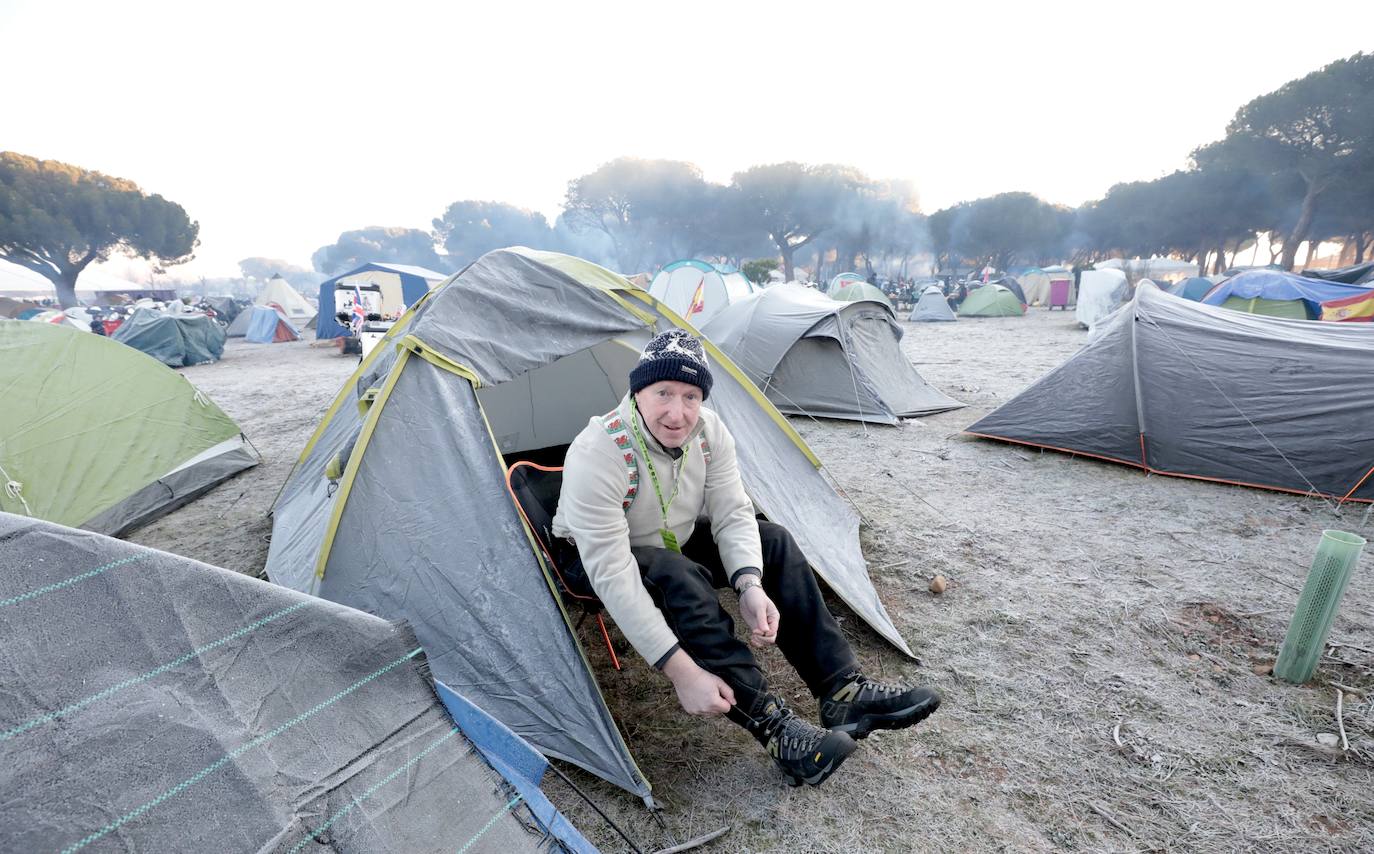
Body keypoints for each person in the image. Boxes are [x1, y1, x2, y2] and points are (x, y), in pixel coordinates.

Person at [552, 329, 940, 787]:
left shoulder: (710, 432)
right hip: (593, 558)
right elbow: (614, 573)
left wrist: (749, 585)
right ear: (638, 391)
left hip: (668, 536)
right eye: (663, 393)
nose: (677, 413)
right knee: (676, 573)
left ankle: (842, 690)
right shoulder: (599, 449)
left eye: (691, 396)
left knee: (770, 539)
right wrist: (681, 671)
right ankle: (771, 725)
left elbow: (733, 512)